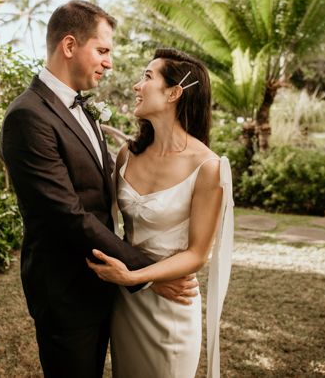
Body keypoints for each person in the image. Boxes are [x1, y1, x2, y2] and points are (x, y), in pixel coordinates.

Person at [0, 0, 199, 378]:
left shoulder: (84, 108)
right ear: (69, 46)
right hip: (67, 296)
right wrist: (151, 272)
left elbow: (108, 182)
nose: (109, 63)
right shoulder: (28, 116)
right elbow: (69, 217)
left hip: (106, 289)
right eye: (103, 51)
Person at [86, 48, 235, 378]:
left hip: (171, 305)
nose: (137, 86)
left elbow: (197, 254)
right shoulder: (128, 153)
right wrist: (138, 282)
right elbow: (107, 223)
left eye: (147, 77)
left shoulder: (208, 167)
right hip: (126, 303)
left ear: (173, 93)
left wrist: (136, 277)